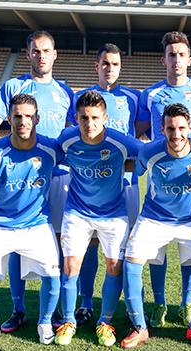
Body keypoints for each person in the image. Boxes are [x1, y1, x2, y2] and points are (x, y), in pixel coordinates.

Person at [0, 30, 73, 333]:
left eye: (46, 51)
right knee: (18, 243)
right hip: (21, 175)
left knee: (57, 243)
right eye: (35, 51)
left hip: (58, 178)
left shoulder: (65, 91)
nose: (41, 56)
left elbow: (73, 132)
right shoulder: (13, 86)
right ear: (28, 53)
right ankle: (18, 309)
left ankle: (57, 309)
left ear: (55, 54)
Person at [0, 94, 63, 348]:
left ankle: (44, 322)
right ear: (9, 118)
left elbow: (85, 155)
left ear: (37, 118)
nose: (23, 121)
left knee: (53, 274)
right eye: (18, 116)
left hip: (37, 225)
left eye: (29, 116)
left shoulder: (51, 149)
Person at [121, 103, 191, 349]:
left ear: (190, 127)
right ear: (162, 129)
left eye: (181, 128)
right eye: (170, 128)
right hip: (154, 218)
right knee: (131, 263)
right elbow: (136, 170)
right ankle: (139, 328)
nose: (176, 134)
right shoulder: (149, 152)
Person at [136, 31, 191, 328]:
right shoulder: (152, 94)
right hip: (161, 176)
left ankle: (187, 302)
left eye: (182, 54)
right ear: (163, 59)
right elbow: (140, 130)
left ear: (190, 59)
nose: (176, 59)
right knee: (156, 249)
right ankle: (158, 303)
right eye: (171, 54)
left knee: (190, 247)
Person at [53, 91, 141, 346]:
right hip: (77, 212)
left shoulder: (120, 142)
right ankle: (68, 321)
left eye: (94, 118)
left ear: (105, 118)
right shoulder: (67, 140)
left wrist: (122, 167)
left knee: (114, 267)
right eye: (83, 118)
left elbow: (146, 155)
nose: (89, 124)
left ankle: (105, 321)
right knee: (70, 267)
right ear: (76, 118)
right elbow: (47, 150)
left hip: (113, 214)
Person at [68, 43, 142, 328]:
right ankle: (86, 302)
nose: (110, 68)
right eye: (105, 63)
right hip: (91, 183)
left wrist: (120, 164)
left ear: (120, 67)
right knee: (88, 245)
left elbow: (140, 138)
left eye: (115, 64)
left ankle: (126, 305)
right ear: (96, 66)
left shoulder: (134, 98)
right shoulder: (83, 99)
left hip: (126, 183)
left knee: (126, 250)